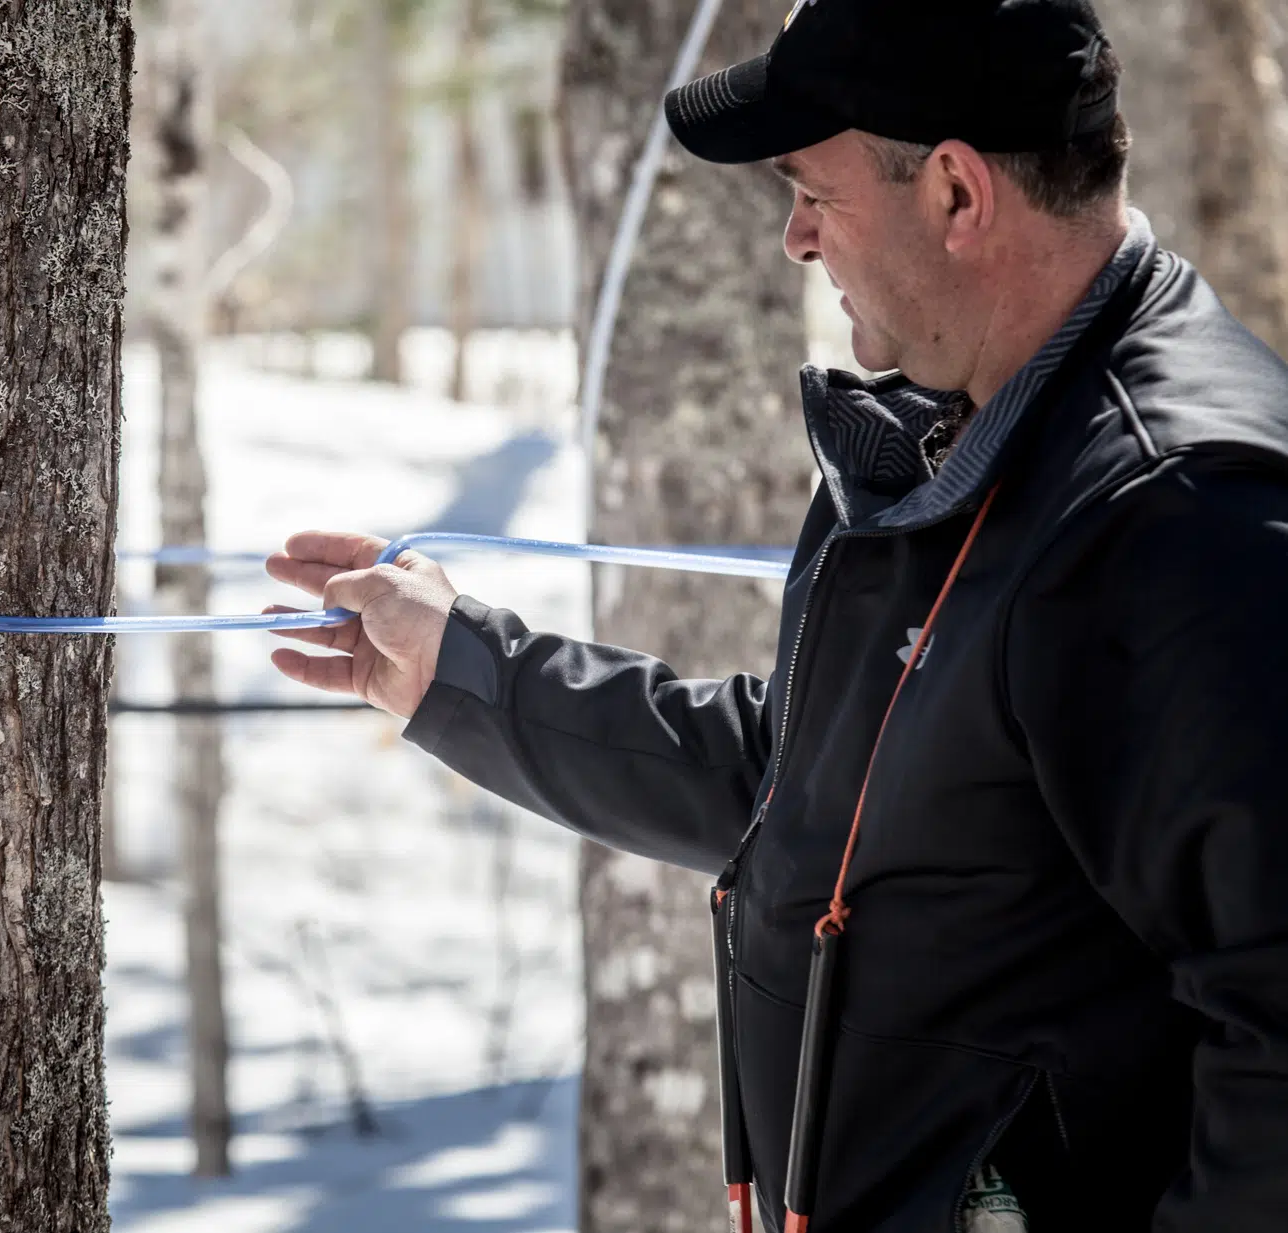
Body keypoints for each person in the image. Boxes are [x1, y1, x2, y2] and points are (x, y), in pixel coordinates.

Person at [264, 2, 1288, 1230]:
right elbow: (821, 789)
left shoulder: (1172, 517)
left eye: (814, 192)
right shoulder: (980, 427)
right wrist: (467, 676)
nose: (794, 239)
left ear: (957, 195)